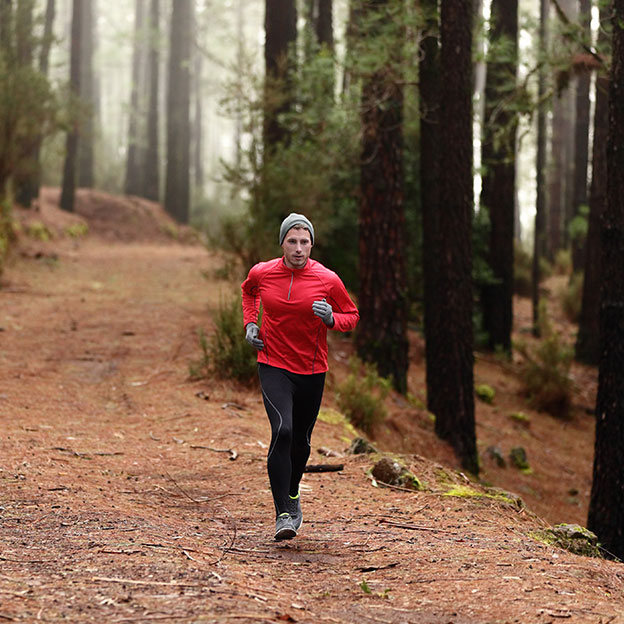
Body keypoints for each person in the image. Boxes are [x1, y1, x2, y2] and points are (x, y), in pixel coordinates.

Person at [241, 213, 359, 541]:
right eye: (292, 241)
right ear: (282, 243)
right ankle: (283, 514)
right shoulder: (262, 273)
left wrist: (333, 318)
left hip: (311, 370)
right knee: (282, 430)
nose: (298, 248)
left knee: (301, 442)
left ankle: (293, 493)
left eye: (304, 241)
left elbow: (353, 315)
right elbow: (248, 292)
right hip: (273, 363)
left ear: (312, 244)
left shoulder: (327, 279)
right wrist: (251, 324)